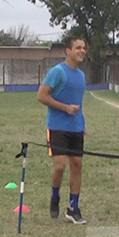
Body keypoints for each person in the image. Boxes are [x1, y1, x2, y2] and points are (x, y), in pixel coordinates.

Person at [37, 36, 88, 225]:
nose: (82, 51)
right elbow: (41, 96)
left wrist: (82, 123)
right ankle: (55, 195)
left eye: (83, 48)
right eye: (78, 47)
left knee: (77, 164)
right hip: (57, 126)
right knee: (60, 165)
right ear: (68, 50)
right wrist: (65, 108)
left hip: (76, 127)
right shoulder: (57, 72)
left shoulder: (81, 75)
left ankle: (73, 208)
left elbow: (79, 103)